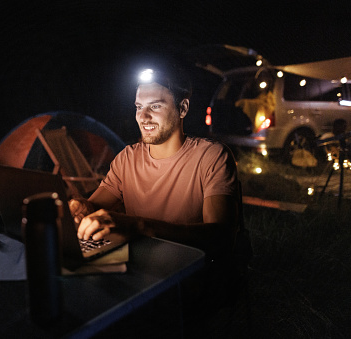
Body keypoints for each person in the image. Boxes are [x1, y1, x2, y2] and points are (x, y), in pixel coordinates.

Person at [69, 64, 240, 264]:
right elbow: (93, 207)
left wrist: (140, 226)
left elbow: (219, 235)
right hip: (137, 265)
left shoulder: (211, 157)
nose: (143, 116)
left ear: (183, 108)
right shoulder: (127, 159)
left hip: (189, 273)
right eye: (139, 107)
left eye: (155, 106)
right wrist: (80, 207)